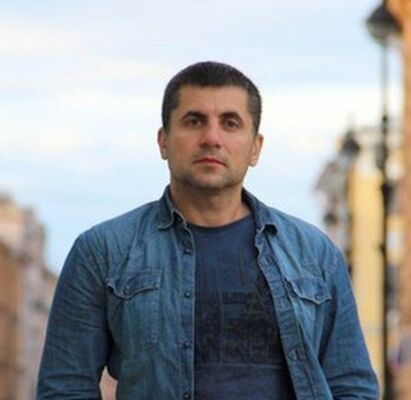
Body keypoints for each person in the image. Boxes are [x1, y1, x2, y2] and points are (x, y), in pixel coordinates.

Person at [37, 61, 379, 399]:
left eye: (230, 123)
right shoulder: (102, 252)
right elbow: (65, 388)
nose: (212, 138)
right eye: (194, 121)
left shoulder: (314, 254)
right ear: (163, 141)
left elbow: (352, 386)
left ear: (255, 147)